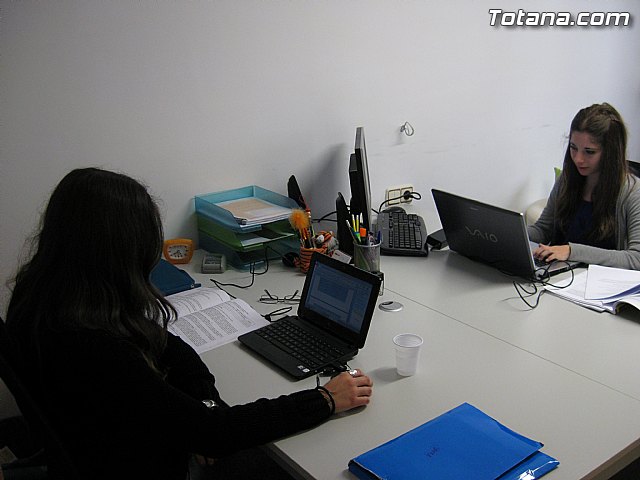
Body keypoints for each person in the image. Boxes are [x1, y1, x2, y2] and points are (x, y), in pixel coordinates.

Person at [5, 167, 374, 480]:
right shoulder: (94, 347)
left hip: (103, 441)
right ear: (118, 254)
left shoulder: (48, 294)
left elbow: (168, 345)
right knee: (282, 466)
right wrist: (325, 399)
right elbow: (216, 434)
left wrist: (204, 402)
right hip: (135, 463)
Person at [528, 102, 640, 270]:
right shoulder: (567, 180)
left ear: (610, 153)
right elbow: (543, 230)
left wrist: (571, 251)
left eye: (589, 152)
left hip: (599, 282)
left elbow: (636, 259)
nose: (578, 159)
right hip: (558, 276)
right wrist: (510, 234)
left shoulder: (632, 193)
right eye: (573, 148)